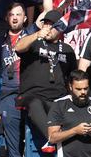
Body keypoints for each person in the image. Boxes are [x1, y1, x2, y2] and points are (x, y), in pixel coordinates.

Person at [15, 9, 77, 148]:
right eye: (46, 24)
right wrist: (37, 34)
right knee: (35, 103)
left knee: (68, 108)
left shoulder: (67, 49)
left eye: (52, 25)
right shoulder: (35, 42)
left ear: (60, 28)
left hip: (58, 96)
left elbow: (73, 76)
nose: (47, 28)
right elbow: (18, 47)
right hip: (33, 95)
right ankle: (52, 138)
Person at [0, 3, 28, 157]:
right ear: (7, 17)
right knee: (12, 140)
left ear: (25, 18)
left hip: (31, 92)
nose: (15, 17)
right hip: (8, 94)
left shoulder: (32, 37)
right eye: (11, 14)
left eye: (18, 14)